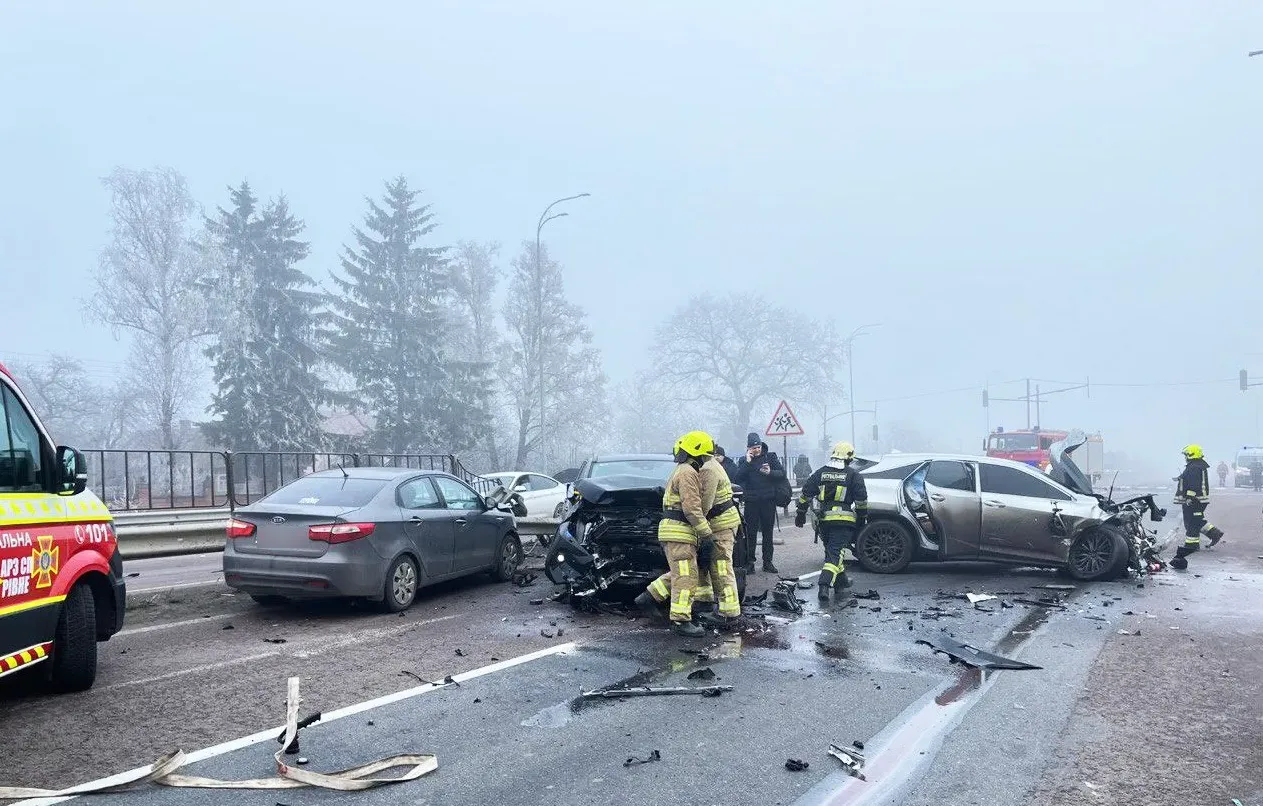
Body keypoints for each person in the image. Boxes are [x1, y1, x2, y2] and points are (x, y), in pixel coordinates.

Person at [634, 431, 714, 636]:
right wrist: (707, 534)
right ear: (697, 453)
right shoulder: (688, 472)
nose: (706, 461)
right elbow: (692, 509)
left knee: (682, 573)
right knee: (686, 577)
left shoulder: (681, 470)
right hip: (680, 531)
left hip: (676, 531)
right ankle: (680, 621)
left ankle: (649, 597)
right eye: (705, 456)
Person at [796, 441, 868, 601]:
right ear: (849, 458)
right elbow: (861, 500)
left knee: (832, 552)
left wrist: (800, 513)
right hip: (844, 522)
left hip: (824, 522)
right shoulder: (853, 475)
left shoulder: (820, 473)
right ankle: (824, 586)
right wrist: (862, 518)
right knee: (835, 554)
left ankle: (841, 583)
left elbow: (805, 493)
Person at [693, 445, 744, 622]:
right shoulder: (713, 464)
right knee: (706, 565)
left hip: (720, 525)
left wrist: (695, 520)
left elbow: (705, 503)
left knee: (721, 567)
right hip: (720, 523)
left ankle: (729, 612)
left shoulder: (707, 469)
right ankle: (704, 600)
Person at [734, 431, 786, 574]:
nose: (756, 450)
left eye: (758, 447)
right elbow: (738, 478)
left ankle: (767, 562)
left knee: (768, 534)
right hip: (752, 502)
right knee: (750, 534)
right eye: (753, 448)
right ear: (748, 448)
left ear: (761, 446)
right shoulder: (744, 461)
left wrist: (770, 472)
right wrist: (747, 463)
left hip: (768, 501)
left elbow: (782, 474)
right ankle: (750, 563)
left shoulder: (770, 457)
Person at [1171, 444, 1224, 570]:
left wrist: (1190, 498)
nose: (1185, 457)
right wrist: (1180, 478)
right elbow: (1190, 479)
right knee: (1197, 520)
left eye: (1186, 455)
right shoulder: (1196, 466)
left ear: (1191, 454)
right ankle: (1215, 534)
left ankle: (1192, 545)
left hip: (1195, 501)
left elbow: (1194, 485)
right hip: (1198, 500)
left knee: (1192, 522)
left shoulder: (1194, 467)